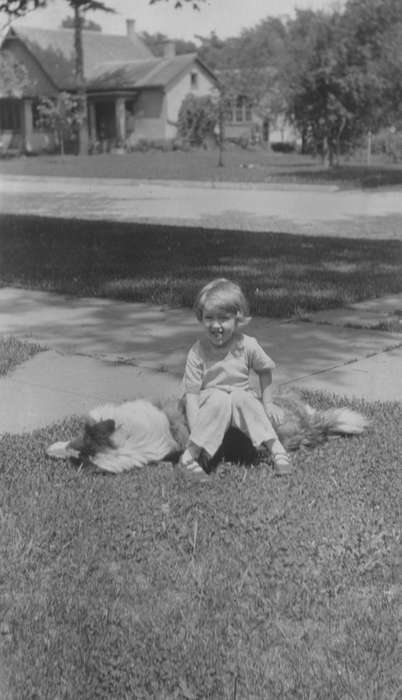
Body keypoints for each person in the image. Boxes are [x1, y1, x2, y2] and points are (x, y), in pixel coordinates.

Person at [180, 278, 292, 479]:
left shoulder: (247, 345)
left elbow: (264, 370)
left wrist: (268, 403)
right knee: (220, 398)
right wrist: (196, 426)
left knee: (243, 398)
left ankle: (276, 447)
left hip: (239, 397)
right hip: (211, 400)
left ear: (237, 318)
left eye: (223, 318)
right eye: (209, 318)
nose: (216, 325)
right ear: (201, 317)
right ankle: (190, 455)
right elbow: (192, 395)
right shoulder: (198, 352)